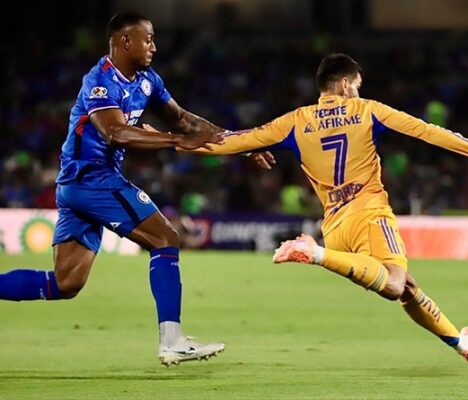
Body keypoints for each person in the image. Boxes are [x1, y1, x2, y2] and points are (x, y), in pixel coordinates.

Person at [167, 53, 468, 366]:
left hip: (335, 225)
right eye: (358, 86)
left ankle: (462, 344)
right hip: (369, 212)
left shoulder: (295, 121)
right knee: (395, 284)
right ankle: (313, 253)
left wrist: (170, 141)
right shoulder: (368, 110)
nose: (358, 92)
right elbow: (427, 132)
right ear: (346, 84)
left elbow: (229, 142)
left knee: (407, 286)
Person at [0, 12, 271, 367]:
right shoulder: (99, 80)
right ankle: (172, 340)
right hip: (91, 179)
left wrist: (242, 143)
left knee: (65, 283)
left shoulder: (147, 81)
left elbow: (183, 119)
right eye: (149, 39)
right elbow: (115, 132)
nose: (154, 47)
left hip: (79, 185)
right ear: (126, 41)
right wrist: (175, 141)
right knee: (166, 238)